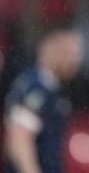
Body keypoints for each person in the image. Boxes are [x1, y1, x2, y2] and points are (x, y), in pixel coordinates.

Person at [4, 27, 83, 173]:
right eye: (66, 52)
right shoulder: (36, 88)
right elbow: (20, 139)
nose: (73, 60)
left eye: (76, 54)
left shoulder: (52, 89)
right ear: (48, 49)